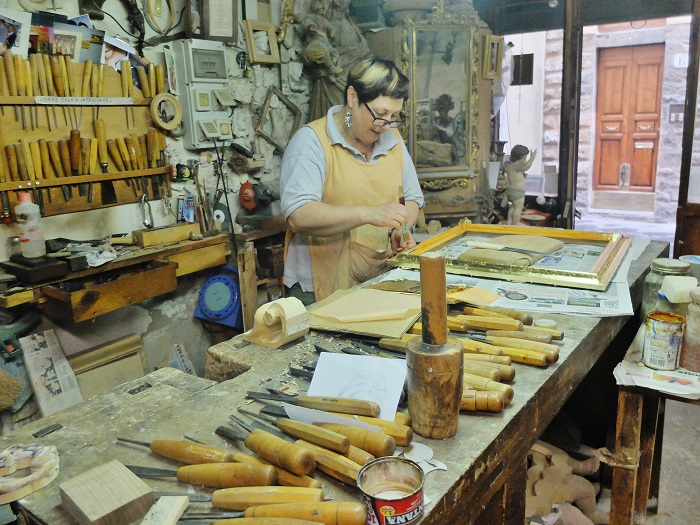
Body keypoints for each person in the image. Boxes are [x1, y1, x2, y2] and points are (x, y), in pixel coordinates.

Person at [280, 57, 424, 305]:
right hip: (319, 286)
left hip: (378, 276)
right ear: (352, 97)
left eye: (394, 116)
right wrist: (369, 213)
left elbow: (411, 198)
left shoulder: (393, 140)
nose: (386, 125)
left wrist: (399, 229)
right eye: (380, 114)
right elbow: (298, 214)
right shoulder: (312, 142)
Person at [504, 144, 537, 226]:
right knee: (518, 207)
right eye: (524, 158)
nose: (525, 160)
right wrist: (532, 158)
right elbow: (526, 167)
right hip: (517, 192)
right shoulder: (516, 166)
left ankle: (510, 222)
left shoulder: (510, 166)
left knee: (513, 207)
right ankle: (516, 223)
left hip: (511, 191)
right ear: (518, 157)